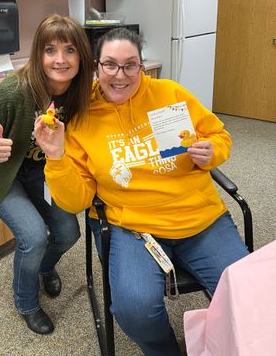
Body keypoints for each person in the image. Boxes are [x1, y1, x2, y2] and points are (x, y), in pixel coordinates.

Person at [35, 28, 250, 355]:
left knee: (247, 293)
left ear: (142, 66)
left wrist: (213, 151)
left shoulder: (170, 93)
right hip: (133, 229)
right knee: (134, 311)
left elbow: (218, 136)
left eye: (130, 65)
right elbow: (75, 200)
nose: (120, 76)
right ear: (96, 66)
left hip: (199, 217)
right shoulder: (80, 116)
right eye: (110, 65)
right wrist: (56, 157)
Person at [0, 14, 94, 335]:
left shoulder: (79, 93)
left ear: (82, 55)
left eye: (70, 50)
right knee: (34, 237)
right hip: (1, 173)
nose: (60, 60)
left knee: (68, 233)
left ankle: (45, 268)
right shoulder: (15, 91)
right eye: (50, 50)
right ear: (39, 55)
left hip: (41, 168)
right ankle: (26, 302)